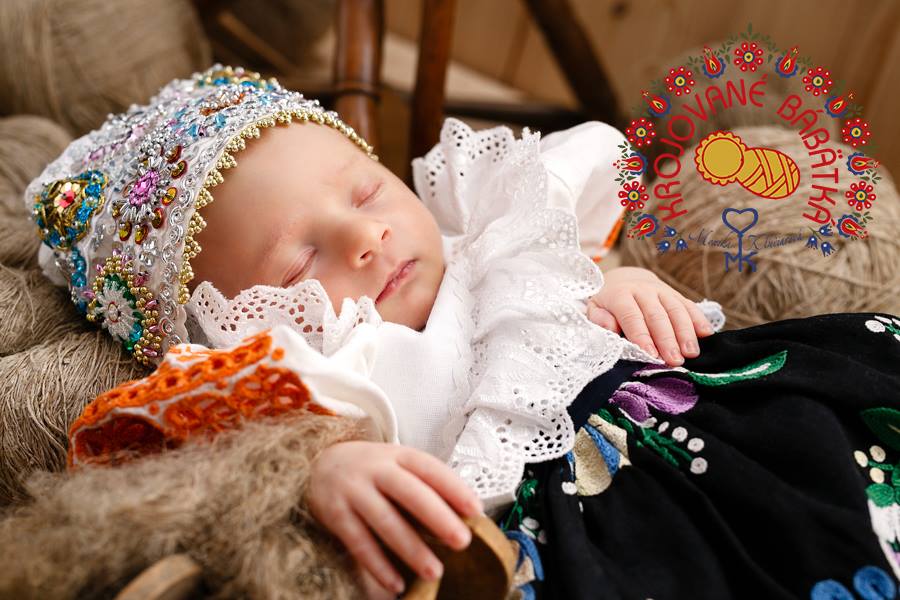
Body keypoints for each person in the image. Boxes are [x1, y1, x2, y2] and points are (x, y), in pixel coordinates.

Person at [26, 65, 900, 599]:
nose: (364, 236)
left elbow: (572, 266)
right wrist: (320, 468)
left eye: (364, 191)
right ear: (233, 325)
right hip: (574, 535)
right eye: (300, 267)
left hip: (708, 424)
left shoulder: (487, 232)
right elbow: (164, 462)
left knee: (836, 454)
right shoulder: (309, 372)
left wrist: (619, 283)